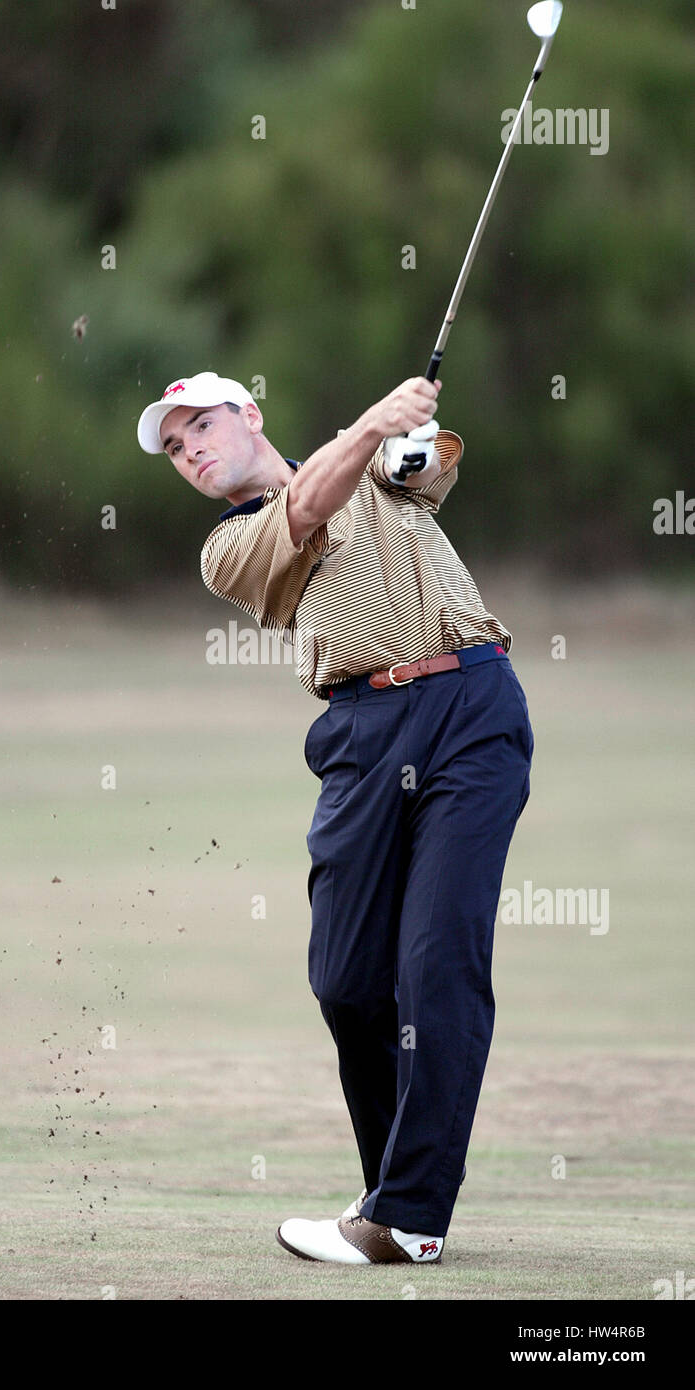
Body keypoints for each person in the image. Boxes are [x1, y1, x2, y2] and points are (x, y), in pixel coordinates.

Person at [137, 370, 534, 1265]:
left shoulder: (366, 467)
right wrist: (368, 427)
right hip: (361, 730)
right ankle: (389, 1188)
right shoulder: (231, 546)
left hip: (472, 705)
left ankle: (407, 1216)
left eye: (199, 425)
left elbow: (424, 473)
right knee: (346, 980)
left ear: (249, 416)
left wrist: (412, 441)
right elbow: (309, 503)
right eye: (173, 445)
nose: (189, 449)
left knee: (438, 965)